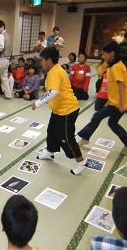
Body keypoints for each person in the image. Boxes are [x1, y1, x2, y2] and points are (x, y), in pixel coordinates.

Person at [31, 46, 87, 175]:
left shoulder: (55, 72)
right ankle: (50, 152)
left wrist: (38, 103)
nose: (41, 63)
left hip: (67, 110)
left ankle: (81, 162)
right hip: (58, 109)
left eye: (42, 60)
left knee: (66, 138)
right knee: (51, 131)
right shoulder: (55, 70)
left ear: (49, 60)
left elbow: (53, 92)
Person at [77, 42, 127, 150]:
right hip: (116, 101)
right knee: (112, 123)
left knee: (97, 116)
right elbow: (114, 87)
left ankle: (85, 138)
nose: (102, 56)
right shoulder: (116, 65)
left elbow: (121, 86)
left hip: (118, 103)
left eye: (104, 54)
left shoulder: (116, 67)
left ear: (112, 53)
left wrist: (122, 104)